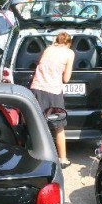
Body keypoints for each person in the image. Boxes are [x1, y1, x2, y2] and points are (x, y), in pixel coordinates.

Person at [30, 32, 75, 168]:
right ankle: (63, 160)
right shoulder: (69, 53)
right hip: (53, 92)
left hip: (36, 89)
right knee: (59, 127)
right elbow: (66, 79)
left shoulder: (48, 49)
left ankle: (38, 157)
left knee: (38, 124)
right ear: (68, 43)